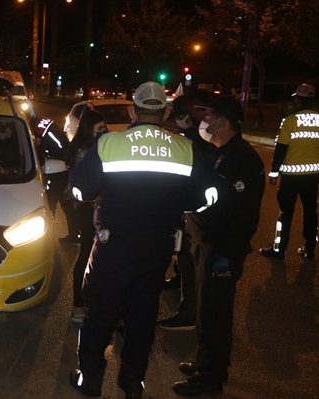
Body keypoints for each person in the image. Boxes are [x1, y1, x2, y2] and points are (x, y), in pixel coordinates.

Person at [67, 81, 218, 399]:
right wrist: (183, 206)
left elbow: (80, 190)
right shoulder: (184, 148)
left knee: (100, 315)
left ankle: (91, 379)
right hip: (157, 249)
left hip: (112, 248)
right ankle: (132, 382)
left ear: (132, 110)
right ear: (165, 112)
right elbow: (208, 196)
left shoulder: (110, 143)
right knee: (142, 316)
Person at [171, 96, 265, 396]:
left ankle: (209, 378)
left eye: (209, 115)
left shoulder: (241, 159)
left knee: (214, 313)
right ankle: (207, 362)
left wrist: (226, 253)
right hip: (206, 243)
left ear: (223, 121)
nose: (204, 120)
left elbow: (238, 212)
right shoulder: (221, 152)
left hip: (220, 248)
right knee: (205, 310)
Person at [158, 89, 214, 330]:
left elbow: (198, 179)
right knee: (183, 255)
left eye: (183, 114)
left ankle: (189, 313)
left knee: (190, 259)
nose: (180, 120)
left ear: (197, 110)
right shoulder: (190, 135)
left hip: (198, 213)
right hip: (188, 210)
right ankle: (181, 283)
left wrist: (187, 206)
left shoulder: (204, 139)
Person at [259, 83, 319, 260]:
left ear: (298, 100)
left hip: (291, 177)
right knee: (310, 211)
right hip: (312, 176)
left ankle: (279, 249)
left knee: (285, 213)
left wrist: (274, 173)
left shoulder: (290, 120)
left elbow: (281, 149)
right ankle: (309, 248)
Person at [64, 108, 107, 323]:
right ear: (89, 129)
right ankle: (79, 306)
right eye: (100, 129)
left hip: (87, 207)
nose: (103, 132)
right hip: (86, 208)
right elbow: (86, 185)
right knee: (87, 255)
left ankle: (83, 304)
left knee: (90, 254)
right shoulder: (85, 151)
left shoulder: (84, 146)